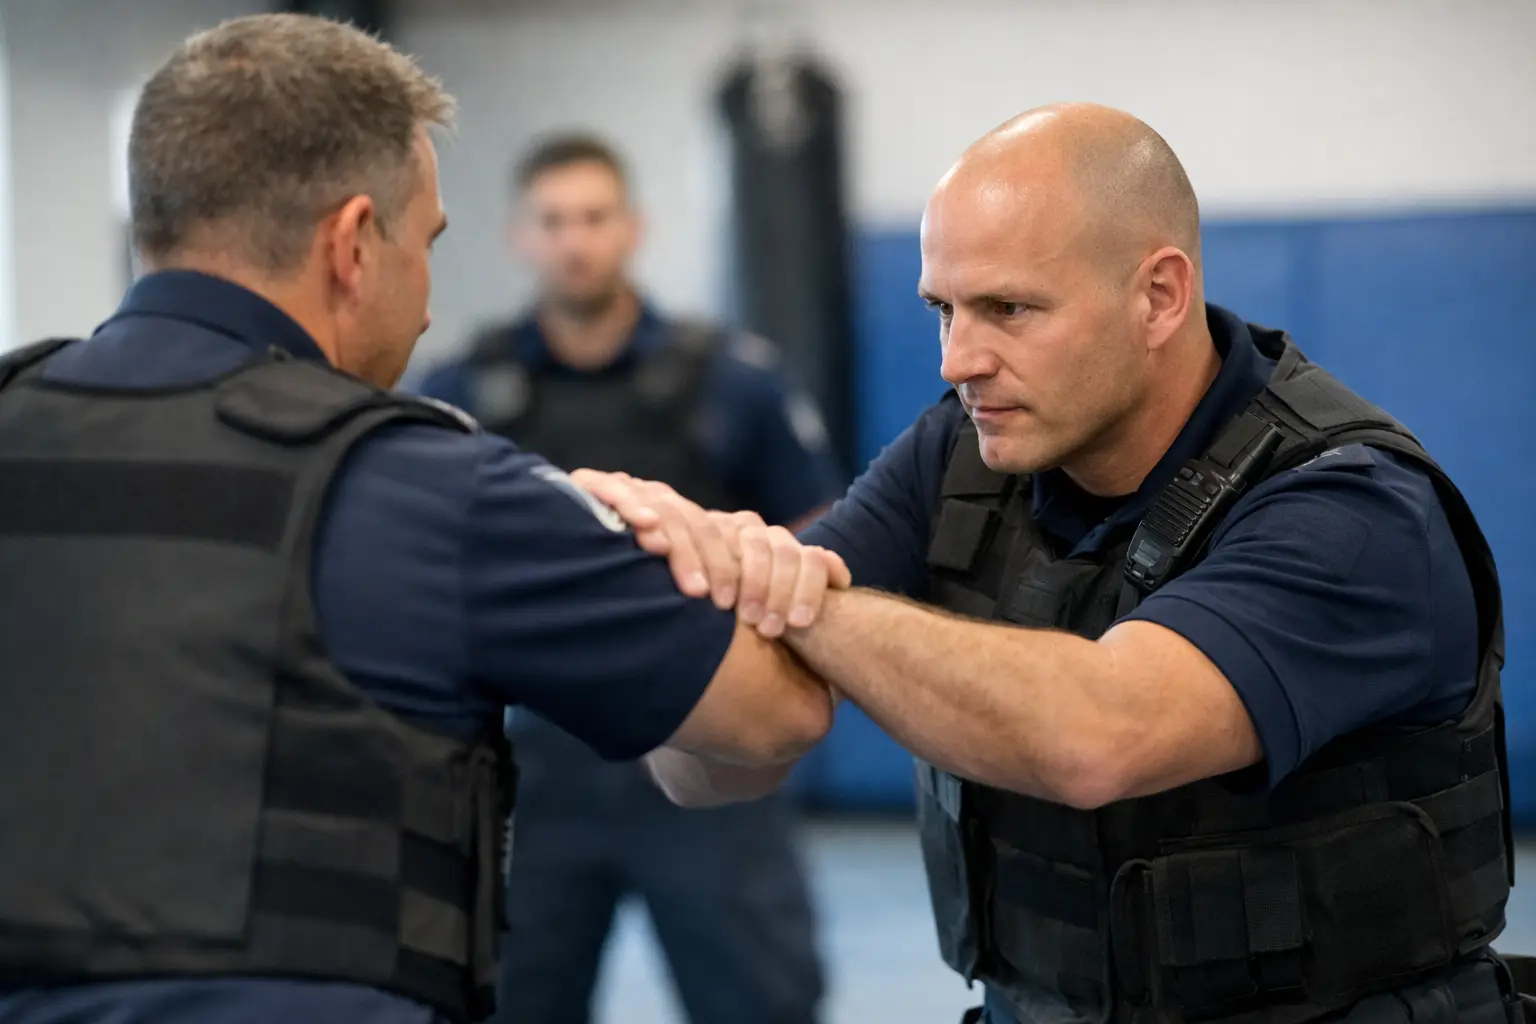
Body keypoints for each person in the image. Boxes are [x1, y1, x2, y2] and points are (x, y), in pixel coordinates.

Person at [575, 103, 1527, 1024]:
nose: (958, 359)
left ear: (1159, 295)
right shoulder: (960, 453)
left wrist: (804, 597)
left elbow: (1097, 738)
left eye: (1008, 309)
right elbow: (724, 758)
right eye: (943, 309)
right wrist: (686, 598)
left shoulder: (1353, 509)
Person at [0, 14, 850, 1024]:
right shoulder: (435, 477)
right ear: (355, 242)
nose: (430, 299)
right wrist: (709, 553)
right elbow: (776, 710)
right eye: (426, 241)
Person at [415, 133, 838, 1024]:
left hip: (704, 755)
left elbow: (817, 544)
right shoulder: (460, 391)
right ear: (520, 238)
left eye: (595, 217)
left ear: (633, 228)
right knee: (509, 1004)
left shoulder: (736, 383)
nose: (576, 240)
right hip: (527, 776)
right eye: (554, 220)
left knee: (761, 1003)